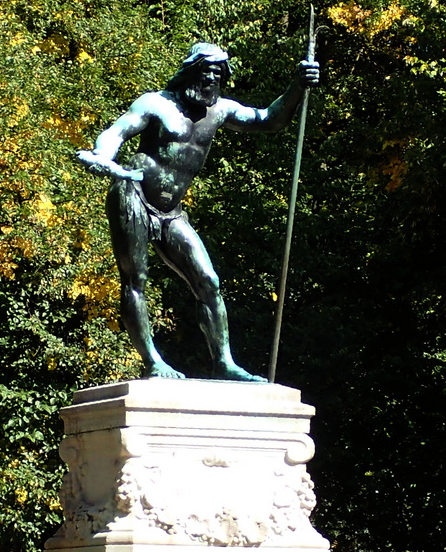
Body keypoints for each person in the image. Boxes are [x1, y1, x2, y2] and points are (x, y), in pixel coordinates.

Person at [79, 42, 321, 381]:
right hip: (133, 191)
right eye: (204, 75)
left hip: (172, 210)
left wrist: (298, 85)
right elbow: (117, 132)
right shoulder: (157, 104)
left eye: (216, 78)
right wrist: (102, 156)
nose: (209, 84)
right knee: (136, 278)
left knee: (208, 281)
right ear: (190, 73)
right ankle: (153, 361)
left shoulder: (221, 110)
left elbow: (270, 120)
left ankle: (223, 362)